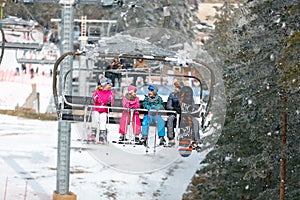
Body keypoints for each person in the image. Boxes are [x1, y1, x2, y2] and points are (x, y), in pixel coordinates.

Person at [91, 77, 114, 143]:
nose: (110, 86)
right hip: (97, 109)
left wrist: (109, 102)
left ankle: (102, 134)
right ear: (104, 85)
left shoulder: (110, 93)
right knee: (95, 117)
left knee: (103, 119)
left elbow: (111, 100)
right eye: (108, 84)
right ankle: (93, 132)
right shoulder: (98, 92)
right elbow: (94, 98)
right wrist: (97, 99)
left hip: (104, 110)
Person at [166, 81, 182, 146]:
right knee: (170, 119)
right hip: (174, 113)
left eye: (178, 88)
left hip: (183, 113)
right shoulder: (172, 95)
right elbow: (168, 105)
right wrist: (173, 109)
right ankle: (171, 138)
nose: (176, 89)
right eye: (175, 87)